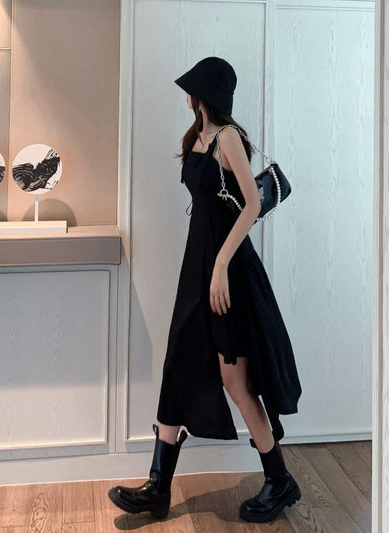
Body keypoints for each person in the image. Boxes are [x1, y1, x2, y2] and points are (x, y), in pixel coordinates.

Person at [108, 57, 303, 523]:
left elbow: (251, 205)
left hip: (226, 272)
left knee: (235, 380)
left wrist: (220, 266)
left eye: (191, 88)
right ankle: (158, 487)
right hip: (197, 268)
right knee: (178, 363)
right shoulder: (196, 136)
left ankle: (280, 480)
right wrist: (206, 266)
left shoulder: (227, 138)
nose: (186, 95)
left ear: (204, 94)